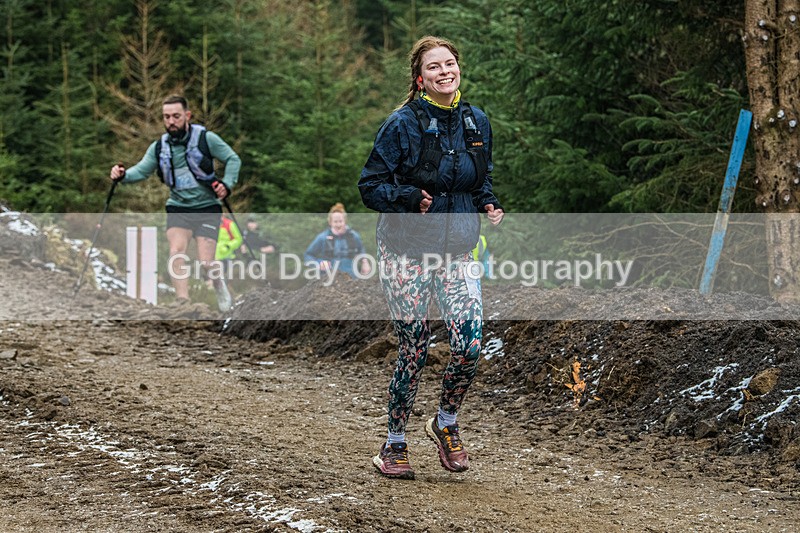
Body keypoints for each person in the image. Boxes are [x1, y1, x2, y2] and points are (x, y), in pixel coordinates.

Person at [359, 36, 504, 480]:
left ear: (458, 68)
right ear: (420, 78)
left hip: (458, 250)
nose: (445, 71)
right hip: (405, 251)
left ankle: (445, 422)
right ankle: (394, 442)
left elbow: (480, 176)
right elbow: (370, 186)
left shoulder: (476, 121)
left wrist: (487, 201)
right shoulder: (401, 124)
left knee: (470, 345)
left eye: (450, 63)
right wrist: (407, 198)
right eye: (434, 66)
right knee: (415, 348)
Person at [109, 95, 240, 312]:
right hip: (178, 207)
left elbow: (233, 159)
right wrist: (122, 175)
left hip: (207, 208)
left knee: (207, 263)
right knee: (176, 251)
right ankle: (182, 302)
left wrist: (227, 184)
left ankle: (219, 285)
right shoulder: (159, 146)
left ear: (187, 115)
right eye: (166, 117)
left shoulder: (206, 139)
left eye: (176, 116)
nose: (171, 121)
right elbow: (141, 170)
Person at [303, 203, 370, 279]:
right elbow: (308, 255)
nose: (338, 225)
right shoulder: (322, 238)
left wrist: (365, 262)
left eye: (340, 221)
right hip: (328, 279)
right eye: (335, 222)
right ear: (330, 222)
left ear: (345, 221)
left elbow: (361, 251)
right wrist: (319, 263)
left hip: (351, 279)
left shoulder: (354, 236)